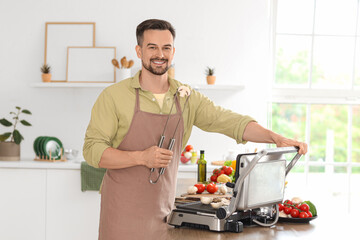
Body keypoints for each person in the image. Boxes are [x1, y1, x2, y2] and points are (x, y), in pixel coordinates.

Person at [83, 19, 307, 240]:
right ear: (139, 51)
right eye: (152, 47)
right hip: (122, 215)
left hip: (165, 214)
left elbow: (230, 122)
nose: (160, 54)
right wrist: (142, 157)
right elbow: (93, 151)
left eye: (166, 48)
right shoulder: (113, 97)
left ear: (173, 52)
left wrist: (274, 137)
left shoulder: (186, 97)